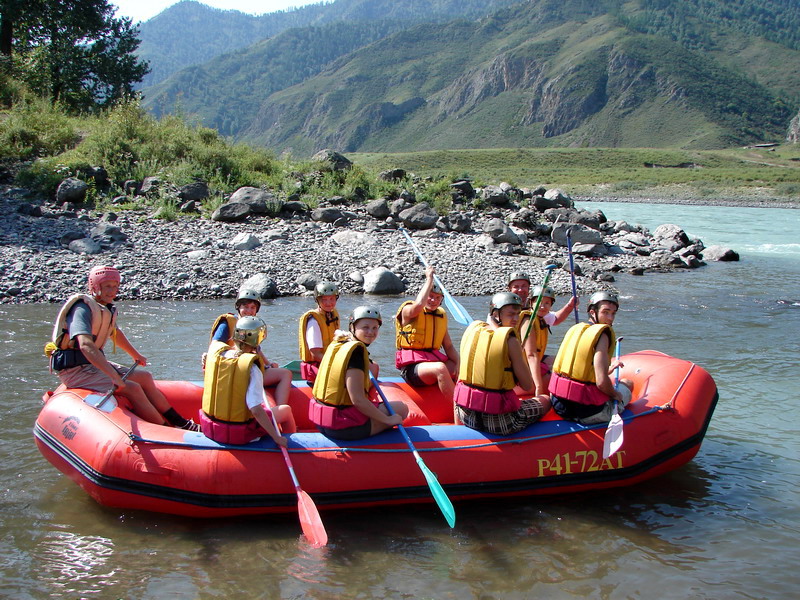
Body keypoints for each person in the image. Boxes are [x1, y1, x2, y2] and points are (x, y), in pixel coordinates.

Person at [47, 265, 199, 430]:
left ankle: (182, 423)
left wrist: (135, 354)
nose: (112, 291)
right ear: (95, 287)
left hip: (91, 366)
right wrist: (113, 376)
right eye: (107, 286)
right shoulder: (81, 309)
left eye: (115, 286)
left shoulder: (105, 309)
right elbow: (85, 344)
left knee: (145, 377)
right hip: (75, 371)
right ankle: (165, 429)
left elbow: (114, 333)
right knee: (132, 388)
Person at [453, 292, 551, 435]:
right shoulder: (511, 341)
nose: (516, 319)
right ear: (496, 314)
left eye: (518, 314)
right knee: (545, 400)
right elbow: (527, 385)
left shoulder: (473, 329)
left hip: (467, 416)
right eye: (511, 314)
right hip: (500, 423)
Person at [309, 306, 408, 441]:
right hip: (343, 427)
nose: (370, 332)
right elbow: (358, 400)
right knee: (401, 409)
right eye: (365, 327)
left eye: (375, 328)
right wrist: (388, 420)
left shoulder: (340, 342)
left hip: (323, 421)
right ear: (353, 327)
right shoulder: (355, 353)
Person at [200, 316, 296, 445]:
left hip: (213, 428)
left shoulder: (217, 355)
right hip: (240, 433)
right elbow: (255, 409)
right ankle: (291, 443)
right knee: (285, 410)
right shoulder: (252, 368)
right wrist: (276, 438)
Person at [549, 291, 634, 425]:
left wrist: (609, 369)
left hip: (559, 406)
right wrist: (615, 394)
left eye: (613, 313)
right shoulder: (603, 335)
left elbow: (579, 370)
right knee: (627, 383)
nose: (610, 318)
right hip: (587, 412)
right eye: (606, 312)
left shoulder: (575, 329)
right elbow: (601, 382)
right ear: (593, 312)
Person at [208, 286, 293, 406]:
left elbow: (256, 350)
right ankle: (280, 409)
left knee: (282, 371)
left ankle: (280, 409)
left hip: (249, 369)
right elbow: (215, 346)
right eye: (245, 307)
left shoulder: (253, 325)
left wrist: (268, 365)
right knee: (286, 374)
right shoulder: (227, 323)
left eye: (253, 308)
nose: (249, 311)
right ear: (238, 307)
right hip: (233, 371)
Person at [395, 266, 459, 401]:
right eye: (430, 296)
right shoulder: (408, 311)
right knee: (440, 368)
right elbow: (419, 305)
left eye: (437, 298)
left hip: (432, 362)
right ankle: (460, 411)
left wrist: (460, 364)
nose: (433, 300)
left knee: (460, 368)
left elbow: (448, 346)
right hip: (412, 369)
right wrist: (429, 278)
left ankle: (469, 402)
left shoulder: (440, 316)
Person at [518, 286, 578, 396]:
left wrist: (570, 306)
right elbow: (531, 355)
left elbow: (557, 319)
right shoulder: (528, 321)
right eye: (539, 302)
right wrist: (539, 386)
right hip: (521, 369)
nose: (542, 306)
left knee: (563, 363)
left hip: (530, 363)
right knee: (560, 379)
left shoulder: (542, 317)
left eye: (547, 303)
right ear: (531, 302)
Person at [298, 281, 340, 384]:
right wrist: (337, 364)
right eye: (324, 300)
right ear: (317, 301)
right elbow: (315, 354)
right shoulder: (313, 321)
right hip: (317, 366)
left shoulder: (332, 315)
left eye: (331, 299)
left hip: (327, 361)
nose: (328, 303)